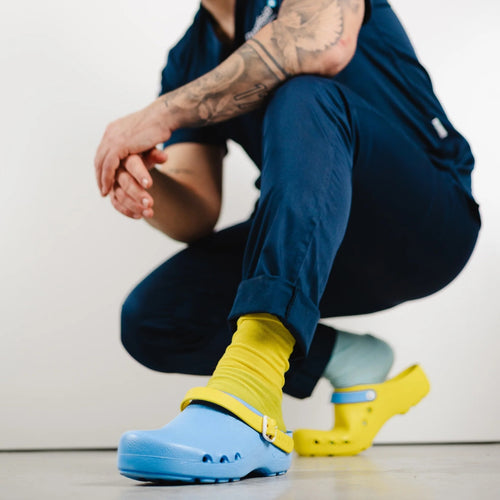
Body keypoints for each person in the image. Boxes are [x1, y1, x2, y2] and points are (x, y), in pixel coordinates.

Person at [95, 0, 481, 484]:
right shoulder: (191, 55)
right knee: (155, 316)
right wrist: (143, 181)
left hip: (427, 224)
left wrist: (161, 113)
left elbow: (322, 44)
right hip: (316, 237)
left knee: (306, 92)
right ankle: (347, 359)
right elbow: (197, 213)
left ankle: (249, 390)